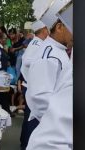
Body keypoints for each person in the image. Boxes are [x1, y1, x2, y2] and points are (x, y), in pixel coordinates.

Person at [24, 0, 73, 149]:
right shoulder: (49, 54)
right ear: (59, 27)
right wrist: (59, 125)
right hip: (47, 128)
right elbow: (40, 98)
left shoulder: (58, 50)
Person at [19, 20, 49, 149]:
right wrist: (42, 63)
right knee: (32, 118)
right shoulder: (37, 43)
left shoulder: (37, 42)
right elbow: (26, 61)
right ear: (43, 30)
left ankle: (24, 142)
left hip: (29, 85)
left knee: (28, 117)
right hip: (30, 86)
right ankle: (26, 144)